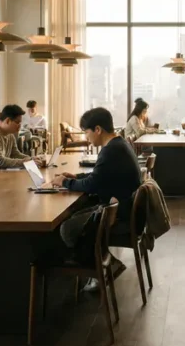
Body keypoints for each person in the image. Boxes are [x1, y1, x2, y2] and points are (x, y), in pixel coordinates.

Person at [51, 107, 141, 286]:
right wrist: (76, 177)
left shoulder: (110, 150)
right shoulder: (119, 144)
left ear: (98, 129)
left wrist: (64, 182)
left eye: (86, 132)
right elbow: (99, 177)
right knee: (77, 214)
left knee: (67, 227)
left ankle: (97, 267)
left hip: (120, 214)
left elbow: (93, 184)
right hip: (126, 208)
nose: (86, 137)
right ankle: (102, 263)